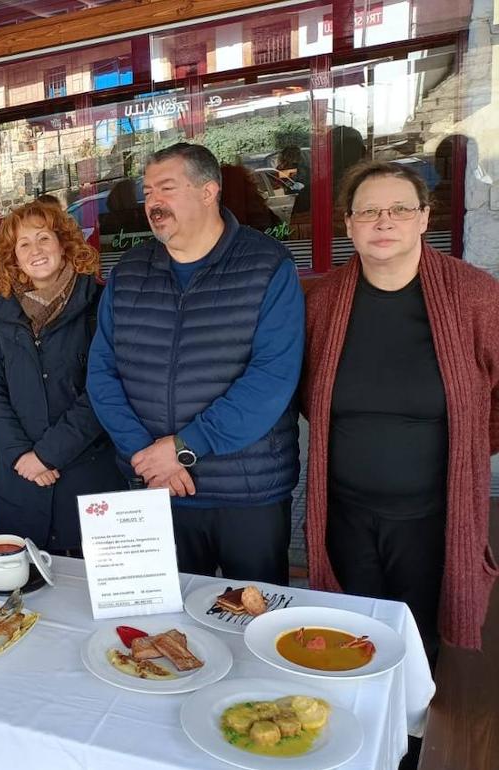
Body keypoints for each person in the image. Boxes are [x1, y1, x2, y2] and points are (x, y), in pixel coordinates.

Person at [302, 160, 499, 653]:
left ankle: (413, 732)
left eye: (399, 209)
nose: (383, 221)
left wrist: (470, 446)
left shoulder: (475, 297)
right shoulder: (321, 302)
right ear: (348, 224)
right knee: (351, 638)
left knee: (419, 645)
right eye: (368, 211)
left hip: (432, 516)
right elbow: (307, 393)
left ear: (424, 217)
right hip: (344, 514)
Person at [87, 142, 303, 584]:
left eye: (167, 188)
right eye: (148, 192)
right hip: (153, 487)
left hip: (246, 492)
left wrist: (184, 448)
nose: (154, 203)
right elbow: (101, 372)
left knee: (253, 620)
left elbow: (272, 378)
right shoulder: (129, 272)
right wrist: (145, 458)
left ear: (209, 192)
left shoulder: (265, 265)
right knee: (167, 631)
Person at [0, 200, 125, 551]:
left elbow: (105, 389)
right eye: (23, 244)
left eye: (43, 238)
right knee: (26, 588)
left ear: (63, 242)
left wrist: (47, 455)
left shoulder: (100, 304)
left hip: (86, 474)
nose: (35, 250)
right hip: (20, 476)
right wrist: (20, 455)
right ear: (13, 256)